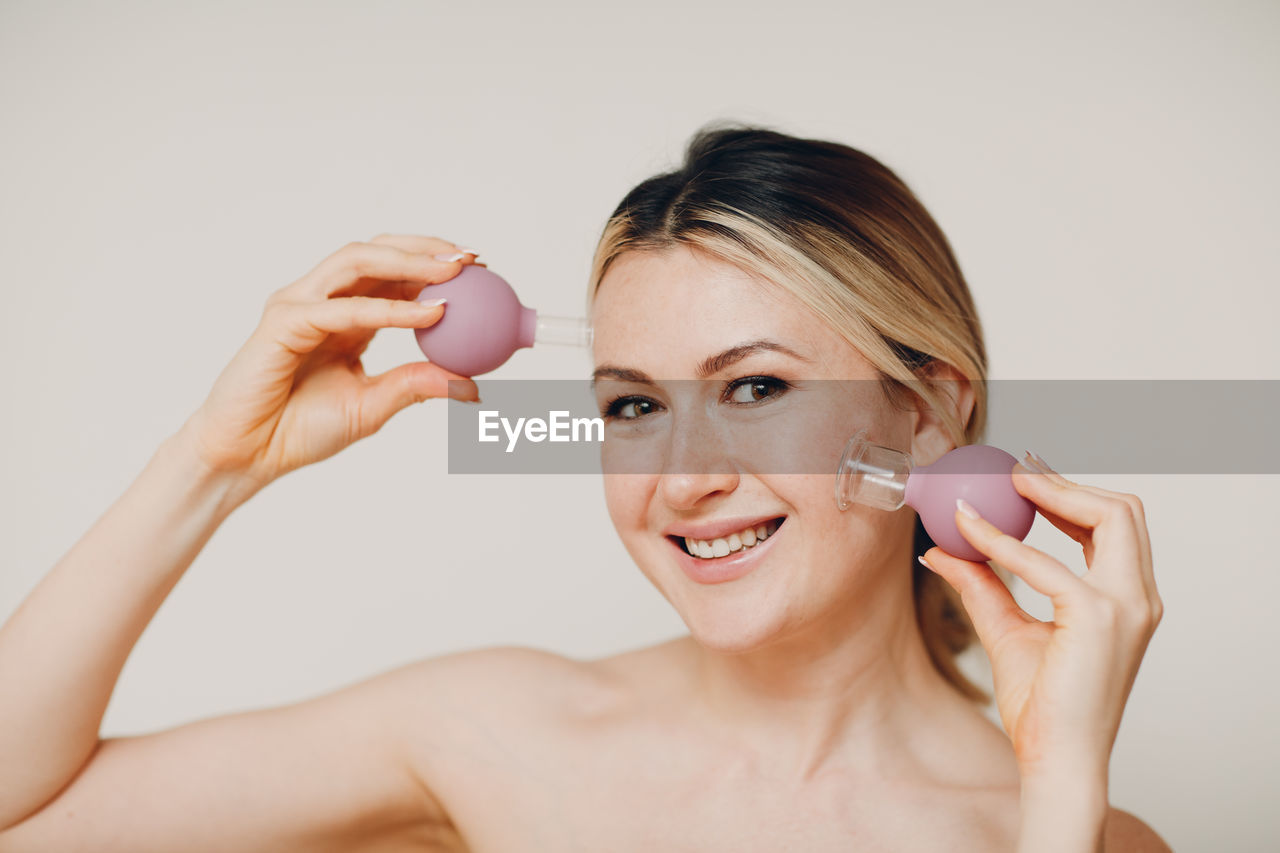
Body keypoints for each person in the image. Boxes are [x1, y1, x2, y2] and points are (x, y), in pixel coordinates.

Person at [0, 125, 1170, 851]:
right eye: (630, 405)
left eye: (755, 388)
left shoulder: (1073, 831)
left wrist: (1056, 785)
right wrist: (214, 463)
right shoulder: (492, 731)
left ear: (921, 415)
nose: (683, 476)